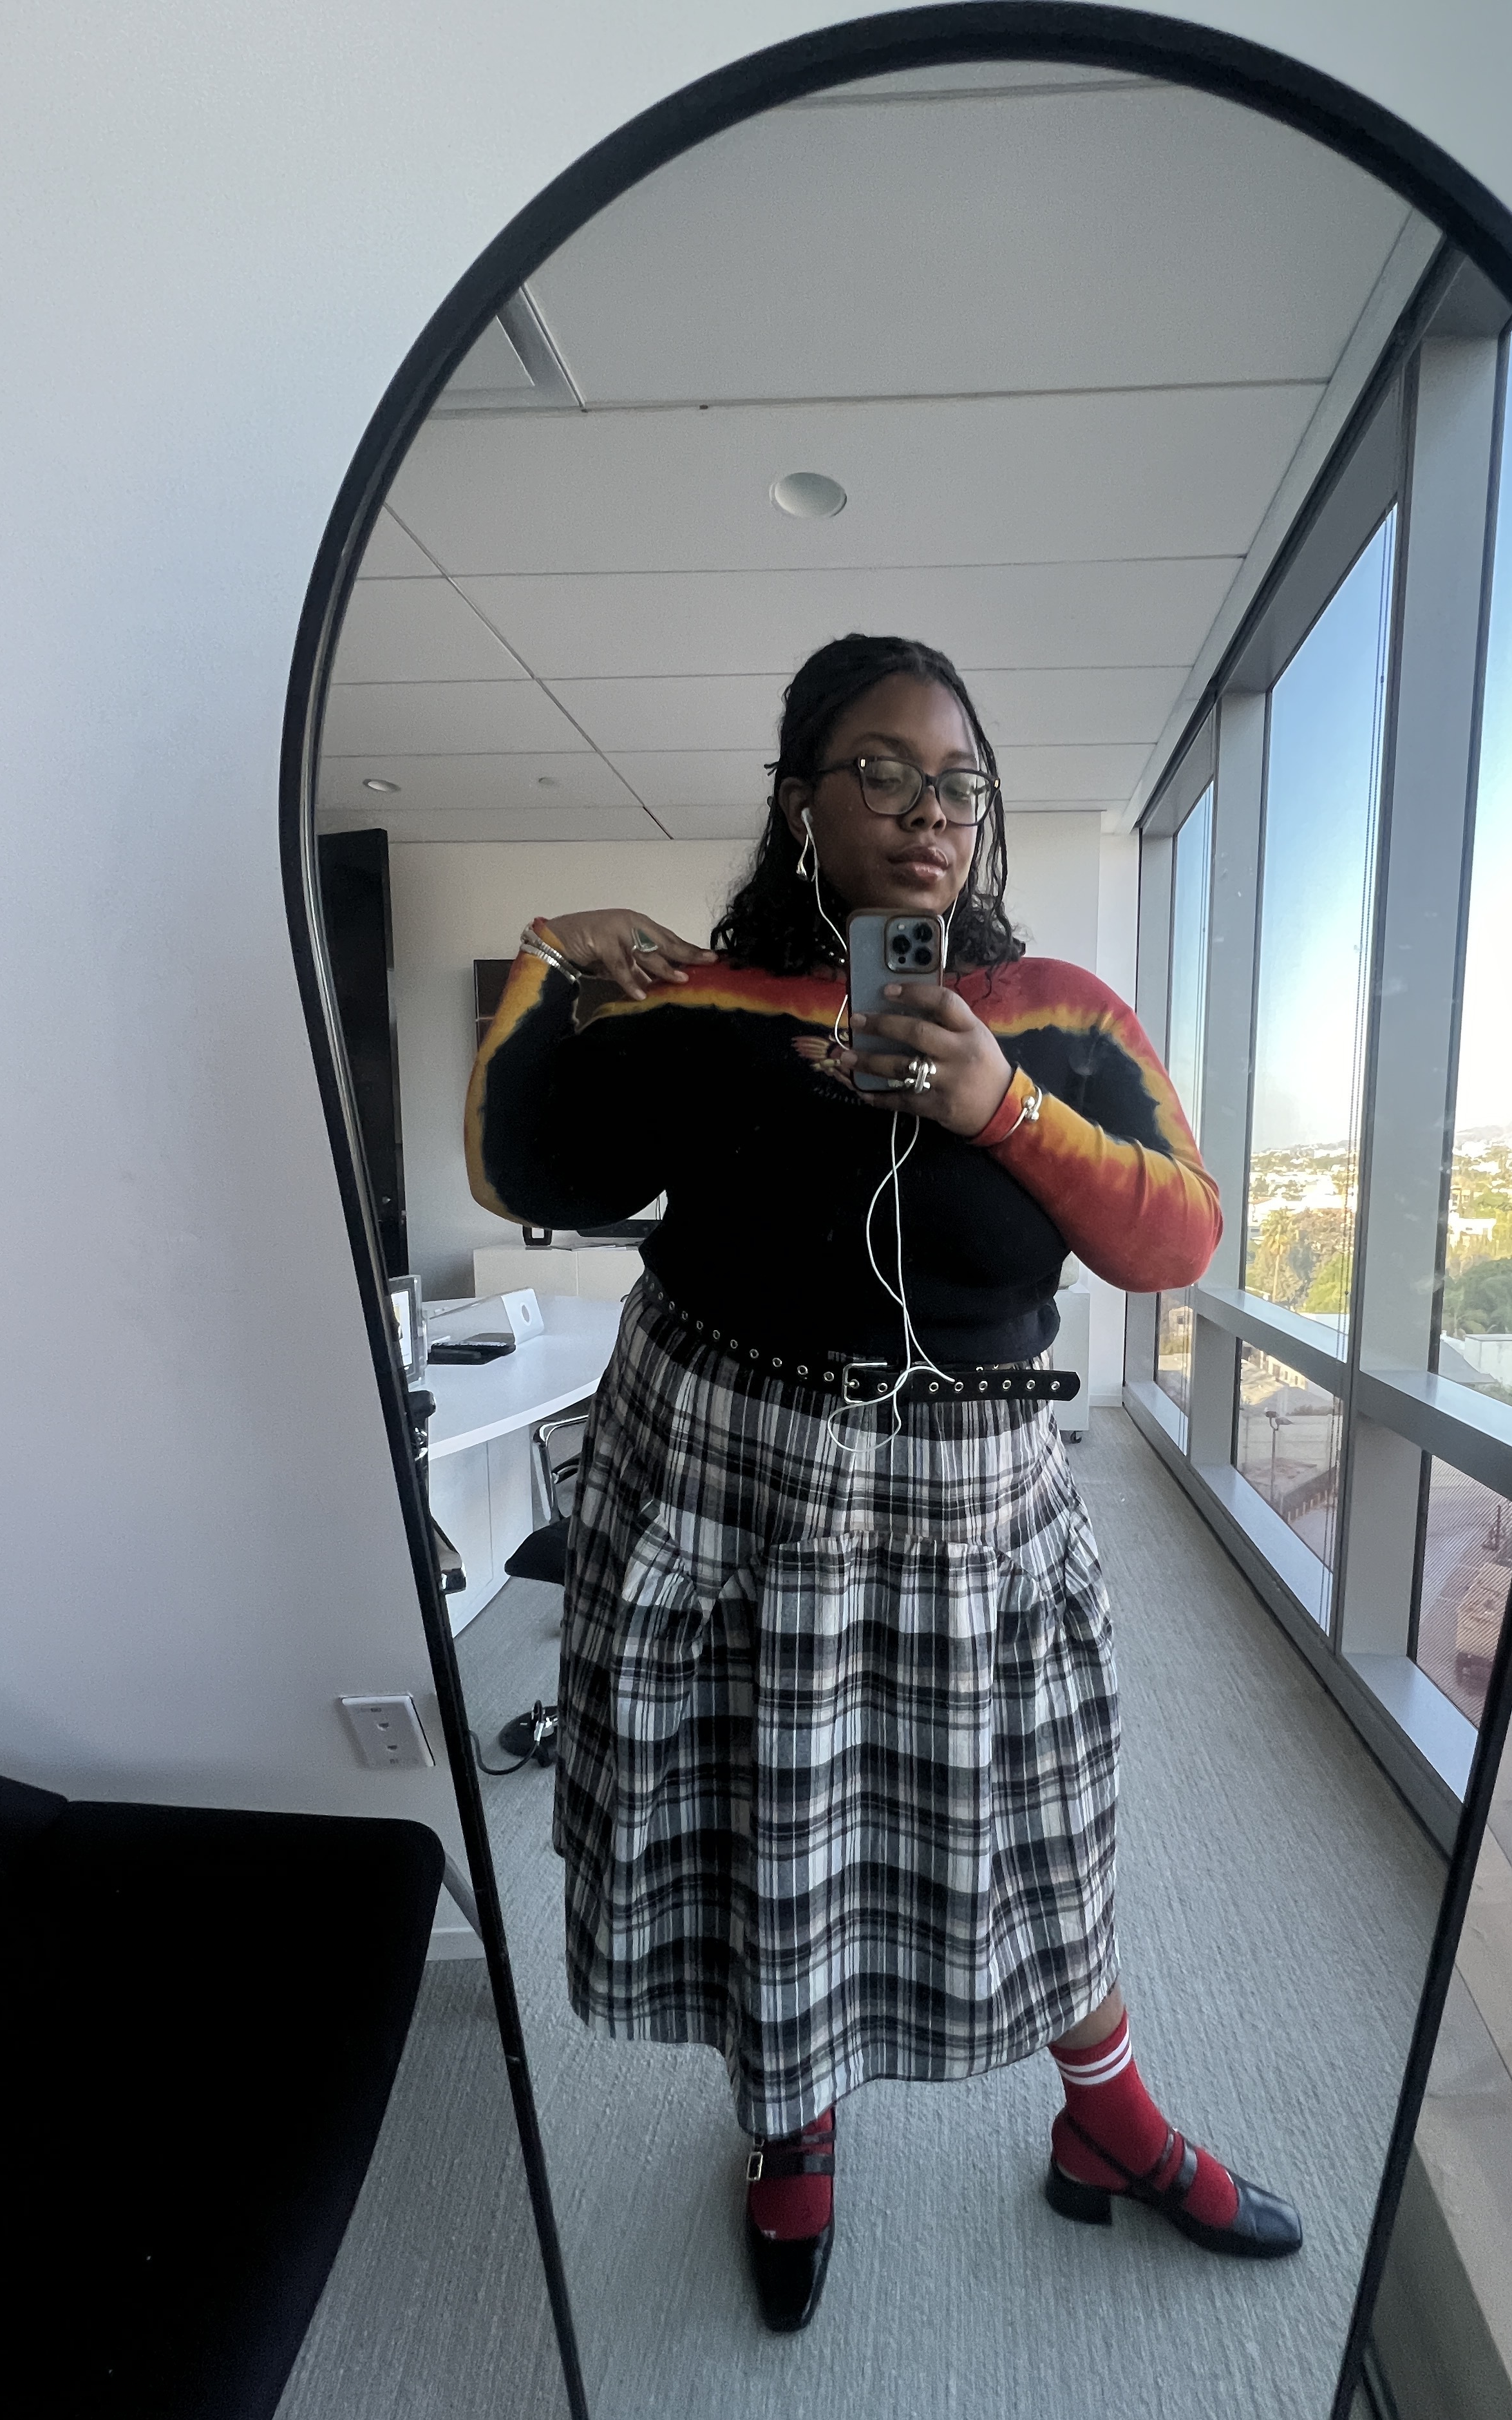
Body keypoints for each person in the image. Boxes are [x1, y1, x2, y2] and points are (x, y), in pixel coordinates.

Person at [465, 633, 1302, 2332]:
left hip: (972, 1501)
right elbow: (521, 1167)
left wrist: (1000, 1107)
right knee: (768, 1828)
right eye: (886, 772)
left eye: (961, 784)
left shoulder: (1058, 1015)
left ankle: (1109, 2120)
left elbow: (1177, 1240)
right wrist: (551, 960)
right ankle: (792, 2129)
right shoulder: (705, 1007)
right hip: (722, 1481)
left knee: (1040, 1827)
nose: (932, 812)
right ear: (801, 803)